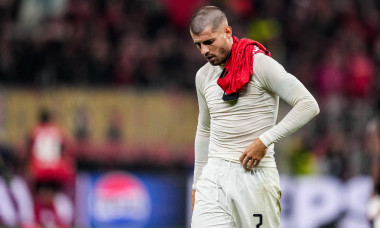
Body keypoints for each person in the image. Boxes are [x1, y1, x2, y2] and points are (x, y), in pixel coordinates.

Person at [189, 6, 319, 228]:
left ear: (227, 32)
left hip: (254, 176)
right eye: (198, 44)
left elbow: (308, 104)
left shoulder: (260, 64)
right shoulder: (203, 76)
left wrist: (264, 141)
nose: (203, 50)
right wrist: (197, 182)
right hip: (214, 178)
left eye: (209, 42)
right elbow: (204, 130)